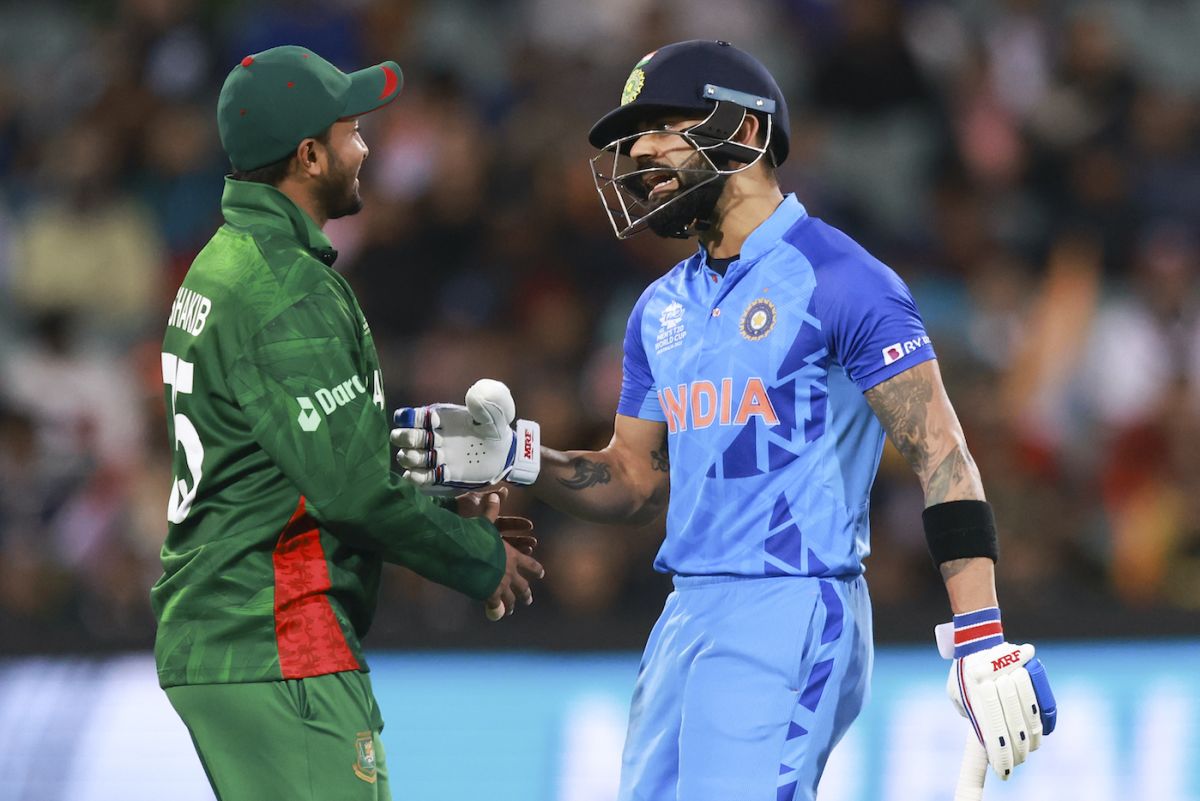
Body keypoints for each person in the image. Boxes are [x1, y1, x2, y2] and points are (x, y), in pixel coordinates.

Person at [391, 40, 1056, 801]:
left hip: (796, 601)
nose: (639, 149)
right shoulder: (659, 308)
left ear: (743, 131)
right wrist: (518, 455)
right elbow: (636, 479)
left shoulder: (843, 280)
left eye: (662, 124)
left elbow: (943, 453)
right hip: (686, 613)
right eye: (632, 135)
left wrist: (980, 638)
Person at [153, 46, 543, 801]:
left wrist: (435, 483)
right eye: (352, 132)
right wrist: (478, 556)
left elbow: (293, 458)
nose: (365, 149)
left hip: (234, 626)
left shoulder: (224, 262)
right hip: (274, 634)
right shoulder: (283, 291)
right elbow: (351, 492)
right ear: (308, 155)